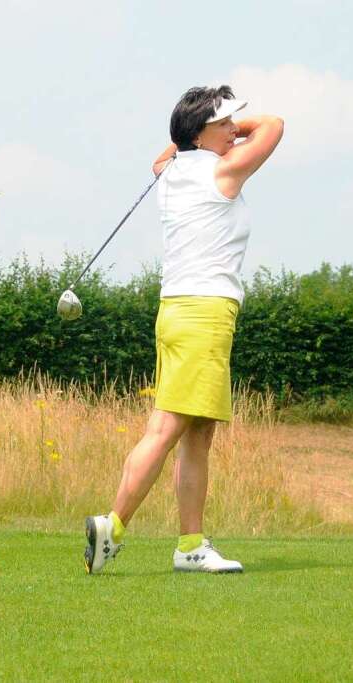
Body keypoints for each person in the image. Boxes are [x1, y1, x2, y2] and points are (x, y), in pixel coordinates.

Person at [84, 85, 283, 574]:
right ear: (200, 133)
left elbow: (165, 153)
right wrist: (231, 132)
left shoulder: (170, 171)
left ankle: (190, 544)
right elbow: (274, 125)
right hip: (205, 312)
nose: (236, 128)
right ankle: (113, 526)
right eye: (226, 123)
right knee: (168, 428)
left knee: (198, 433)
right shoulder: (223, 170)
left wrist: (202, 133)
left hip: (175, 310)